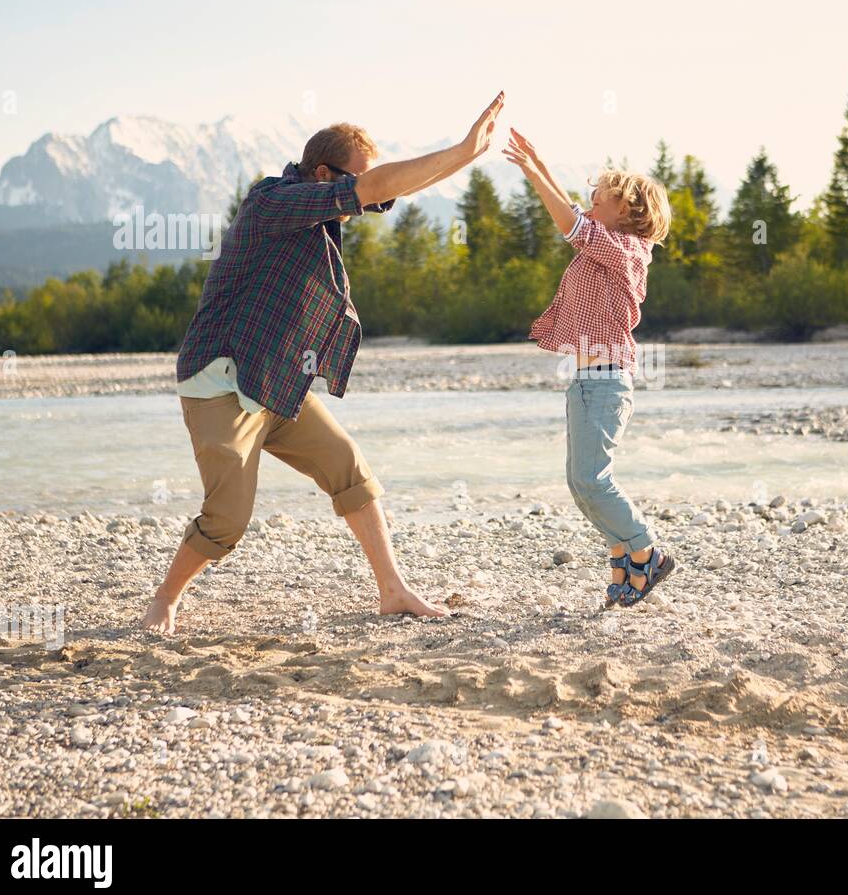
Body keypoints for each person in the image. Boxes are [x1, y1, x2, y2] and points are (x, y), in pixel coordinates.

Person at [141, 93, 505, 634]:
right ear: (320, 173)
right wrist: (460, 148)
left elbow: (385, 186)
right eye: (349, 179)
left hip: (276, 378)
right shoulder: (273, 201)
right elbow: (374, 188)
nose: (356, 193)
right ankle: (165, 599)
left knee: (348, 467)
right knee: (228, 521)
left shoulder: (319, 212)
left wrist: (463, 159)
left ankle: (393, 591)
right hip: (222, 380)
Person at [502, 128, 677, 607]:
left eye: (599, 199)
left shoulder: (625, 251)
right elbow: (574, 218)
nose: (589, 204)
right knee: (581, 484)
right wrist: (537, 163)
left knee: (593, 481)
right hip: (587, 381)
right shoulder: (603, 243)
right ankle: (624, 555)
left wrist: (531, 171)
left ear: (627, 210)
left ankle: (647, 551)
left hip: (603, 382)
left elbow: (569, 223)